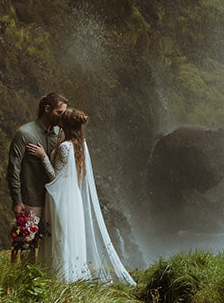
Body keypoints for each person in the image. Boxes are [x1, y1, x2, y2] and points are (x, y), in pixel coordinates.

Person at [28, 109, 135, 284]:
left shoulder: (64, 147)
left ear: (64, 125)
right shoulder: (81, 144)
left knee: (59, 234)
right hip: (73, 195)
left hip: (62, 196)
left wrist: (43, 157)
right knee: (68, 234)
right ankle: (70, 275)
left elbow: (54, 175)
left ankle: (58, 277)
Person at [8, 92, 68, 256]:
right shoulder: (25, 134)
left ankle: (40, 278)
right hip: (31, 199)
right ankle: (21, 278)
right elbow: (14, 168)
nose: (63, 117)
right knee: (26, 243)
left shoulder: (60, 134)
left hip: (53, 199)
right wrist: (17, 199)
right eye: (59, 112)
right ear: (47, 109)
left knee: (48, 243)